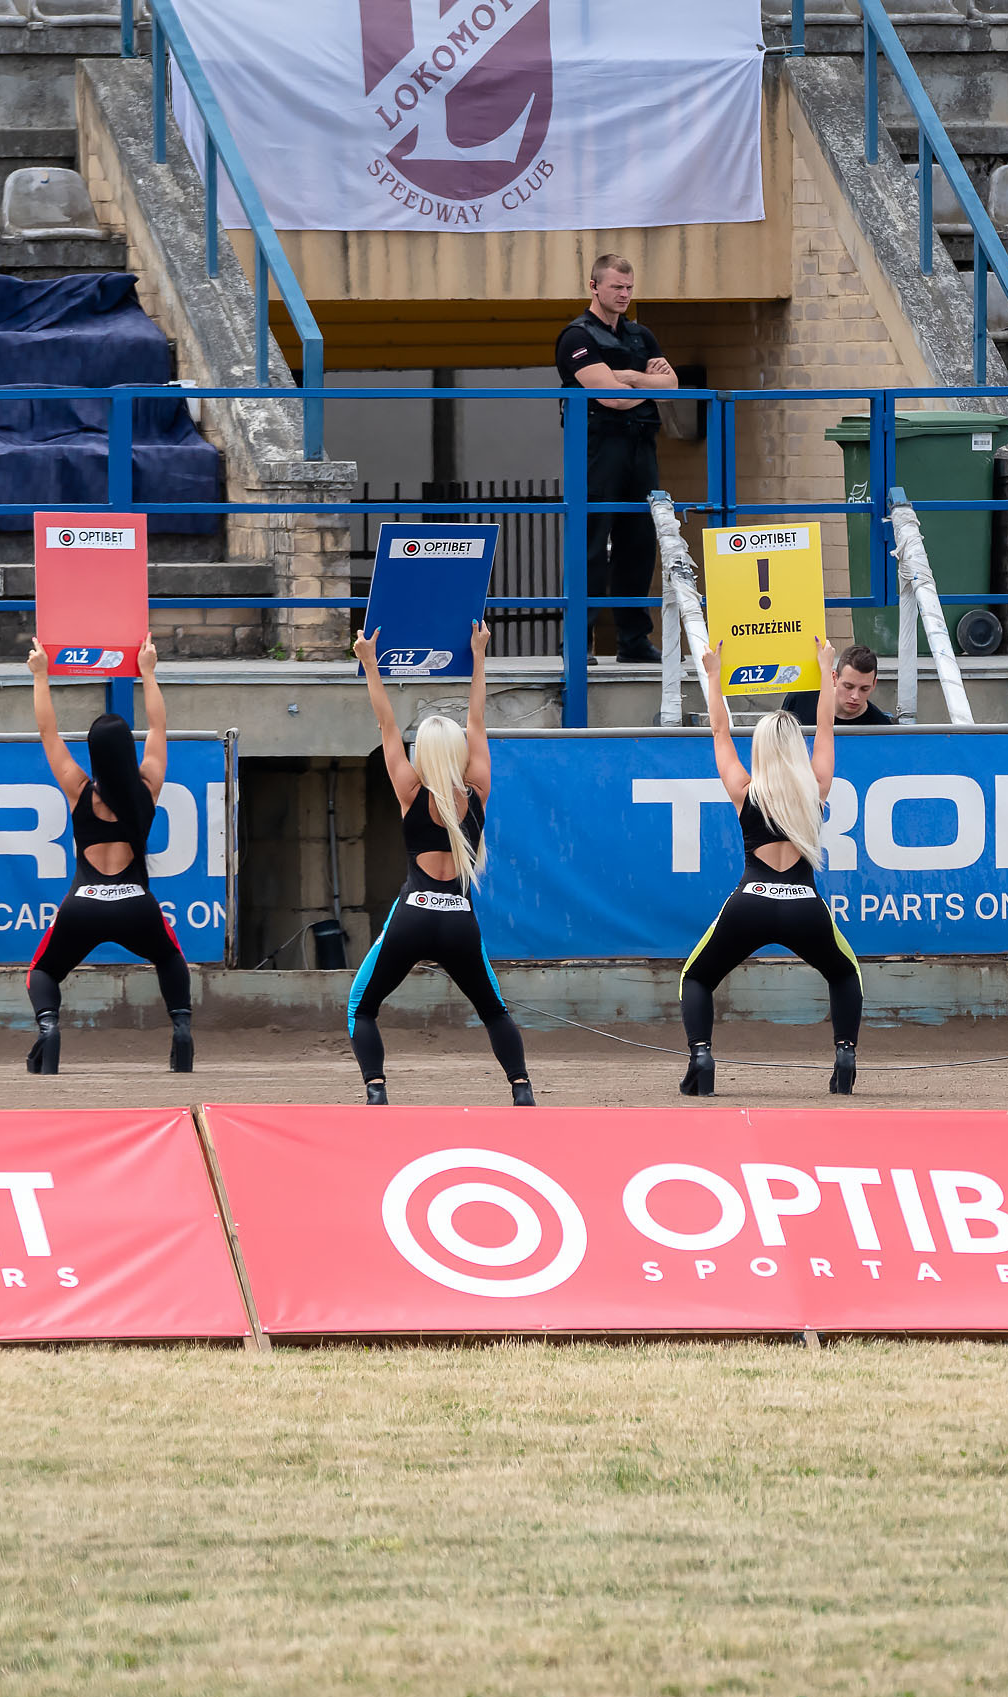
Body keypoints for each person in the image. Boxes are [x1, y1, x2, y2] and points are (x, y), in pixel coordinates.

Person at [346, 622, 534, 1107]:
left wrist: (369, 662)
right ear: (458, 752)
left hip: (412, 916)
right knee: (493, 1010)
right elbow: (477, 722)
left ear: (422, 755)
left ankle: (376, 1089)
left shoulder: (410, 792)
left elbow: (387, 725)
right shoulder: (479, 791)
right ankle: (521, 1088)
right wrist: (478, 656)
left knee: (361, 1008)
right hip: (458, 921)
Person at [679, 640, 864, 1099]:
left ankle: (701, 1057)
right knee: (845, 974)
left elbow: (720, 733)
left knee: (696, 977)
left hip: (750, 903)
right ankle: (845, 1054)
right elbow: (825, 724)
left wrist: (714, 673)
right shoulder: (817, 787)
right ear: (795, 751)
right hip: (805, 905)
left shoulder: (744, 789)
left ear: (760, 749)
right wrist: (825, 669)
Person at [21, 637, 192, 1075]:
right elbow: (158, 728)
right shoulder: (147, 787)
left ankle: (48, 1030)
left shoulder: (78, 789)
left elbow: (48, 732)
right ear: (127, 753)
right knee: (170, 958)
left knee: (41, 972)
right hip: (137, 904)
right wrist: (148, 672)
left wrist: (41, 675)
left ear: (94, 754)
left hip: (83, 906)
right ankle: (181, 1028)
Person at [556, 253, 673, 665]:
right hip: (597, 448)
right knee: (590, 543)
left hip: (641, 445)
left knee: (639, 543)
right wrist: (648, 383)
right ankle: (577, 640)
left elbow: (672, 385)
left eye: (629, 287)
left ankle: (634, 640)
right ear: (594, 287)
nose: (624, 294)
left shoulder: (640, 335)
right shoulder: (577, 338)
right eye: (615, 287)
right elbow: (612, 397)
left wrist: (635, 378)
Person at [781, 641, 893, 727]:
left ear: (874, 684)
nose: (855, 696)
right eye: (848, 686)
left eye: (864, 689)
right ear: (834, 678)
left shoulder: (881, 726)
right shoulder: (799, 702)